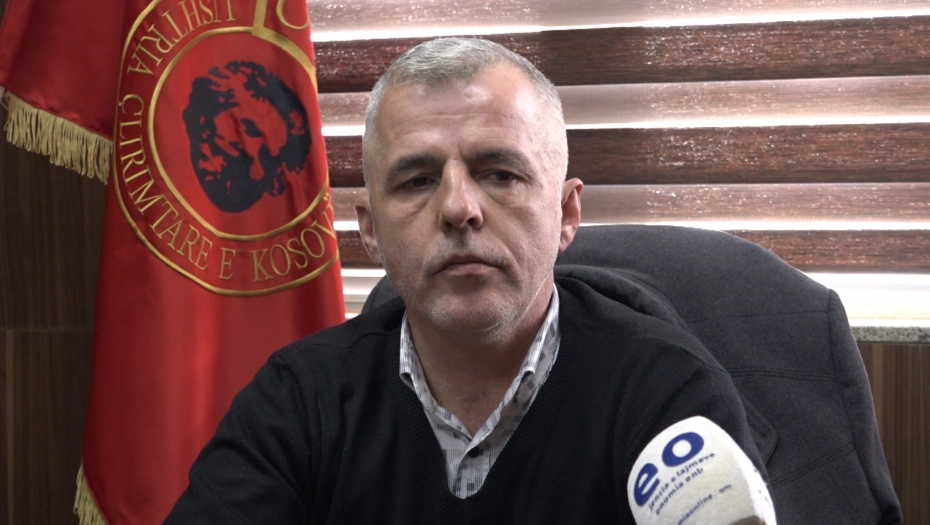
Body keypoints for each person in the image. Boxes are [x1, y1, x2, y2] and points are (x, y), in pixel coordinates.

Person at [165, 37, 767, 523]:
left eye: (499, 173)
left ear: (566, 214)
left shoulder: (666, 396)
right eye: (418, 181)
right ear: (370, 230)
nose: (459, 208)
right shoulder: (299, 401)